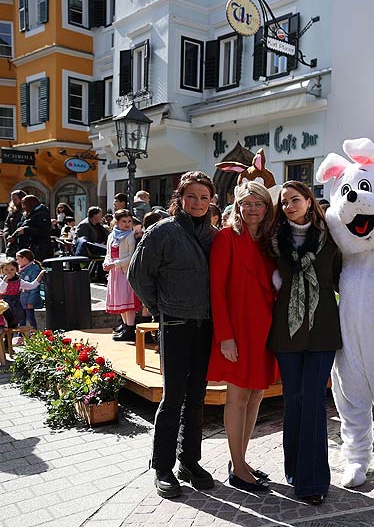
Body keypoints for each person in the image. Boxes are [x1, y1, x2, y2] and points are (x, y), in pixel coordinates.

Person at [128, 171, 218, 499]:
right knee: (173, 396)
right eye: (191, 196)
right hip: (175, 324)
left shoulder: (212, 234)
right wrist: (161, 308)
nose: (197, 203)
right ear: (180, 198)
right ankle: (163, 466)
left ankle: (189, 461)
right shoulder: (162, 231)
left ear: (211, 201)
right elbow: (138, 275)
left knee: (197, 396)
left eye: (203, 197)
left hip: (205, 325)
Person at [267, 180, 342, 506]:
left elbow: (345, 279)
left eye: (295, 200)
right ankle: (295, 469)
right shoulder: (273, 243)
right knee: (293, 401)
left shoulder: (331, 241)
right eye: (284, 203)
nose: (289, 206)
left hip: (323, 328)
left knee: (312, 400)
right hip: (287, 330)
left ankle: (313, 481)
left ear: (310, 202)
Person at [207, 182, 277, 492]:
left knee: (256, 395)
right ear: (237, 205)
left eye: (257, 204)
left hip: (265, 330)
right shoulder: (226, 238)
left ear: (266, 207)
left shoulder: (269, 241)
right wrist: (225, 336)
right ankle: (237, 467)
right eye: (246, 203)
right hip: (237, 330)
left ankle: (242, 460)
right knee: (237, 398)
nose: (251, 209)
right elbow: (217, 291)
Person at [103, 209, 140, 341]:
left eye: (129, 221)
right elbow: (108, 253)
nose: (127, 224)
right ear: (117, 222)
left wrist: (115, 264)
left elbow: (131, 257)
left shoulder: (130, 236)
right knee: (120, 301)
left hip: (124, 271)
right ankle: (125, 326)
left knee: (127, 300)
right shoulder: (112, 235)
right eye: (123, 221)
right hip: (115, 272)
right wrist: (106, 263)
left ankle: (130, 328)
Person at [0, 258, 44, 330]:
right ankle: (5, 338)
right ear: (2, 270)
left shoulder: (18, 281)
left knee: (15, 322)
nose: (9, 272)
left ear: (16, 270)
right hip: (4, 305)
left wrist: (40, 275)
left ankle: (11, 339)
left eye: (12, 269)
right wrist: (5, 280)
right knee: (5, 324)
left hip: (15, 304)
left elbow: (31, 285)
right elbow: (1, 290)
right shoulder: (1, 280)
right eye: (6, 270)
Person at [13, 195, 53, 261]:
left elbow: (43, 231)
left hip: (39, 247)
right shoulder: (30, 213)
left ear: (30, 204)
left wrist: (26, 230)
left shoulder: (42, 214)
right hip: (31, 246)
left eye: (24, 205)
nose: (23, 207)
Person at [16, 249, 43, 332]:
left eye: (18, 259)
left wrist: (31, 302)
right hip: (21, 300)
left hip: (28, 300)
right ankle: (21, 336)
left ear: (24, 259)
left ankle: (35, 335)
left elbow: (34, 288)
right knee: (21, 319)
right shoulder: (21, 270)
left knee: (30, 319)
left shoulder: (33, 270)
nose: (17, 261)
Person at [3, 190, 26, 258]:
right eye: (12, 199)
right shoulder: (12, 212)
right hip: (11, 242)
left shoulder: (26, 211)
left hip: (22, 242)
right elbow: (7, 225)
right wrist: (7, 235)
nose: (13, 201)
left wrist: (15, 237)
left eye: (15, 199)